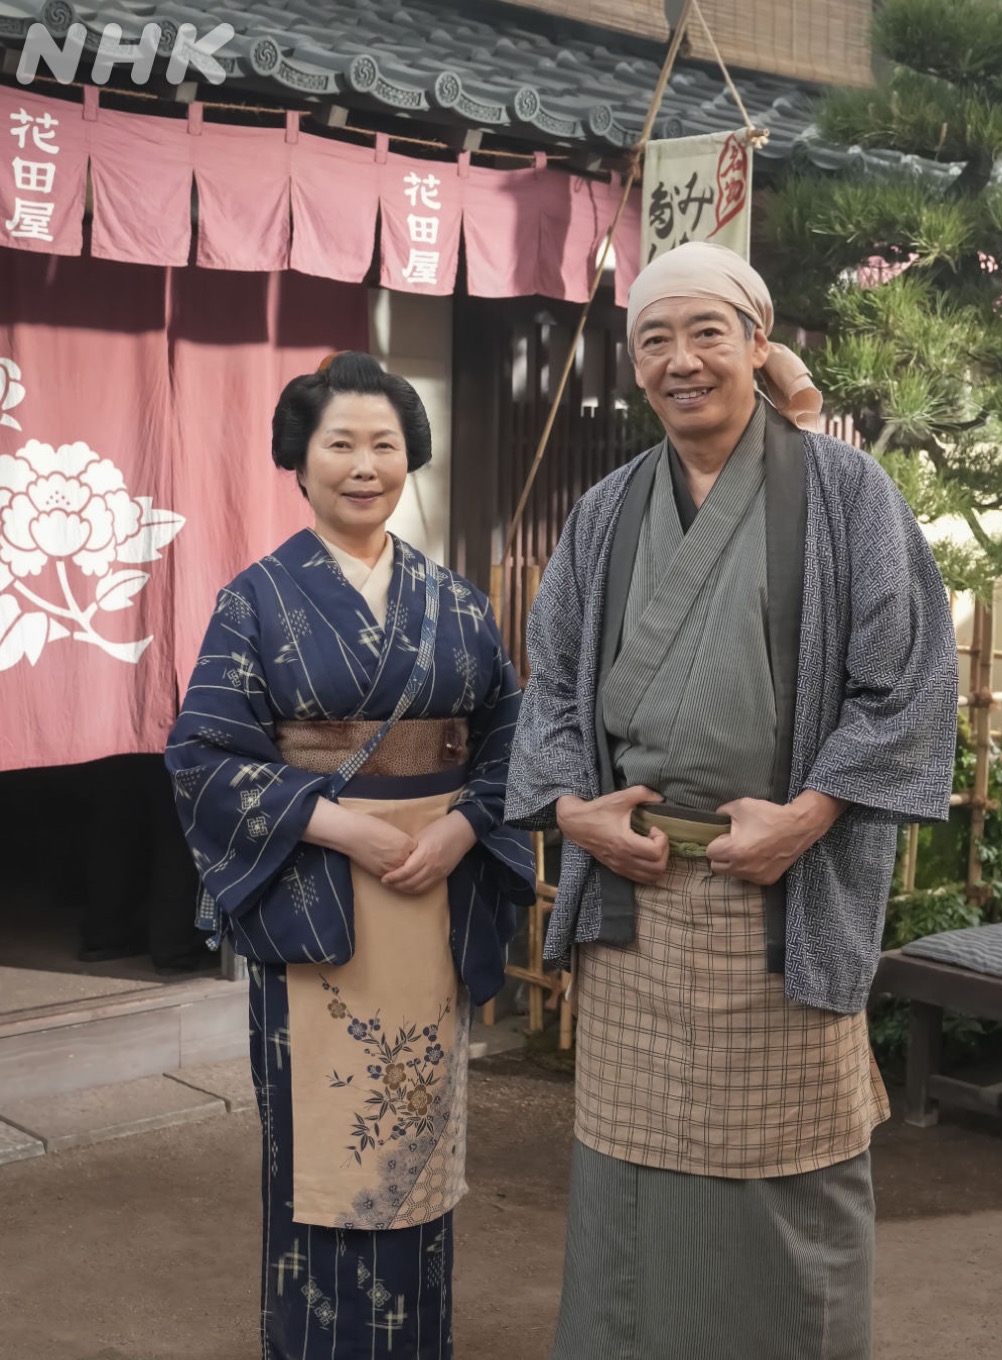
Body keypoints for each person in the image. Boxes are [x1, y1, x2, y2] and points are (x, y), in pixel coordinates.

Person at [506, 242, 959, 1360]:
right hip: (635, 898)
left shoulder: (845, 493)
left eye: (706, 332)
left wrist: (810, 815)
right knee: (631, 1175)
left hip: (780, 901)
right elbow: (551, 683)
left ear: (757, 344)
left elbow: (906, 685)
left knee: (787, 1175)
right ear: (635, 365)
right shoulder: (607, 510)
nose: (682, 361)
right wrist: (571, 808)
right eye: (654, 339)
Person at [166, 351, 535, 1360]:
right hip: (318, 896)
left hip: (433, 899)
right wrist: (344, 827)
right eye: (341, 444)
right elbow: (204, 756)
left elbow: (511, 738)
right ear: (300, 460)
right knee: (320, 1149)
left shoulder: (455, 601)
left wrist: (462, 829)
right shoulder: (254, 600)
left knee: (415, 1136)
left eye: (384, 445)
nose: (364, 465)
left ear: (410, 458)